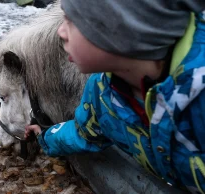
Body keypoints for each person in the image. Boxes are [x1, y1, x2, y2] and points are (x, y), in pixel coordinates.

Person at [24, 0, 205, 192]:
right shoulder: (103, 92)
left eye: (70, 19)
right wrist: (45, 136)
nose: (60, 32)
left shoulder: (198, 98)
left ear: (121, 28)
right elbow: (84, 133)